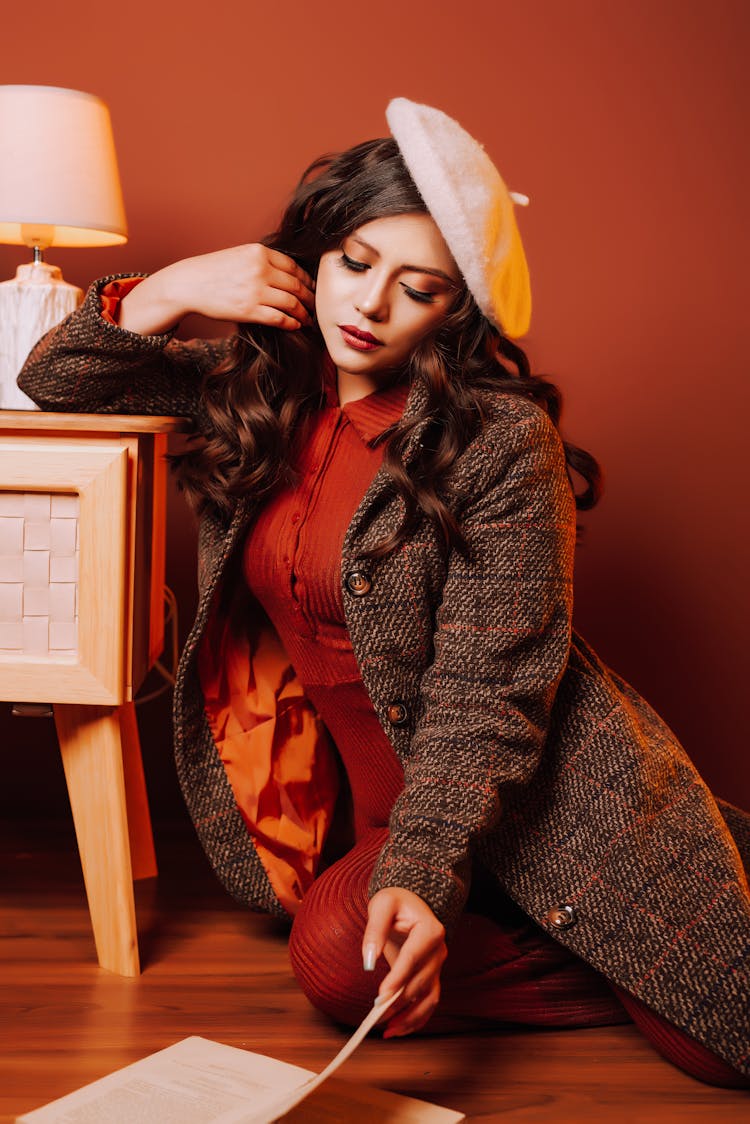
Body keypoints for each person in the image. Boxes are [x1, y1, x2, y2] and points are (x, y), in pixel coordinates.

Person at [18, 98, 749, 1087]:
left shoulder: (498, 438)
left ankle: (648, 901)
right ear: (313, 253)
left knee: (718, 1042)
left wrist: (425, 868)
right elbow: (56, 380)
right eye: (356, 262)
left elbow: (490, 693)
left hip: (534, 795)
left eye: (419, 288)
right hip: (373, 820)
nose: (369, 305)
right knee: (335, 958)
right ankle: (622, 914)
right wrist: (172, 288)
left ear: (455, 310)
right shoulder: (255, 388)